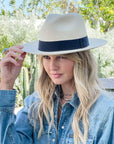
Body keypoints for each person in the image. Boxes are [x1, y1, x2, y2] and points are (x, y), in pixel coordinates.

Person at [0, 13, 113, 144]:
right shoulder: (35, 104)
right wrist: (7, 83)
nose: (52, 66)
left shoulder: (105, 112)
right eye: (47, 57)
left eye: (62, 57)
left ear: (81, 59)